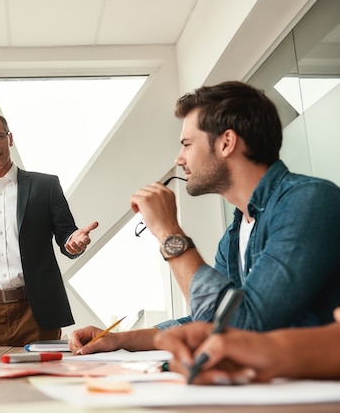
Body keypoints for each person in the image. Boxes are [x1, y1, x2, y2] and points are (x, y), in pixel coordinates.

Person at [70, 81, 340, 355]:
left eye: (187, 144)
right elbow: (211, 319)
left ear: (226, 142)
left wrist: (168, 231)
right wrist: (120, 340)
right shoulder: (235, 234)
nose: (179, 159)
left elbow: (242, 328)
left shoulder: (309, 201)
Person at [0, 110, 98, 346]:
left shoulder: (45, 186)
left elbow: (66, 234)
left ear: (9, 139)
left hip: (36, 313)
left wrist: (73, 243)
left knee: (41, 381)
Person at [154, 307, 340, 384]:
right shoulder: (230, 239)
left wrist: (170, 236)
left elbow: (243, 318)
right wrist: (274, 349)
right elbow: (208, 315)